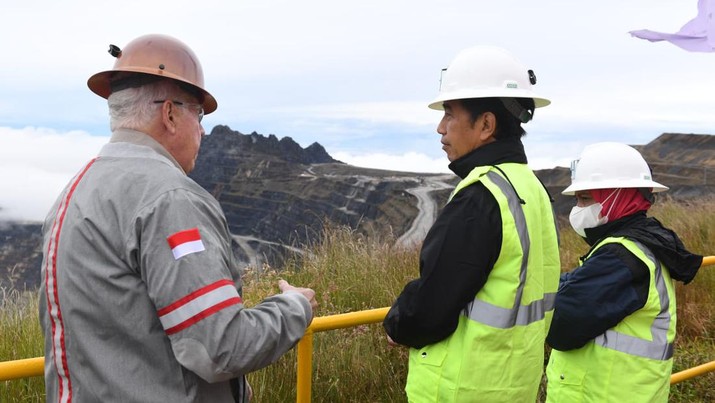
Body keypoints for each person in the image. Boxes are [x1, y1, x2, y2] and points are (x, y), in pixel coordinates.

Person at [38, 34, 317, 402]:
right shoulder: (169, 198)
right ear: (169, 114)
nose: (202, 129)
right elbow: (220, 347)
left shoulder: (73, 192)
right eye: (197, 114)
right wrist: (293, 308)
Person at [383, 45, 561, 402]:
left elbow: (431, 307)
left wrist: (397, 323)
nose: (440, 127)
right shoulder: (531, 187)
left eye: (450, 114)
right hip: (512, 387)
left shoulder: (479, 198)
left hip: (460, 389)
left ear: (485, 125)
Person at [545, 142, 703, 402]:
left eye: (585, 199)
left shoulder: (621, 257)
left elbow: (560, 326)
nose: (577, 209)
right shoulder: (640, 244)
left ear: (618, 197)